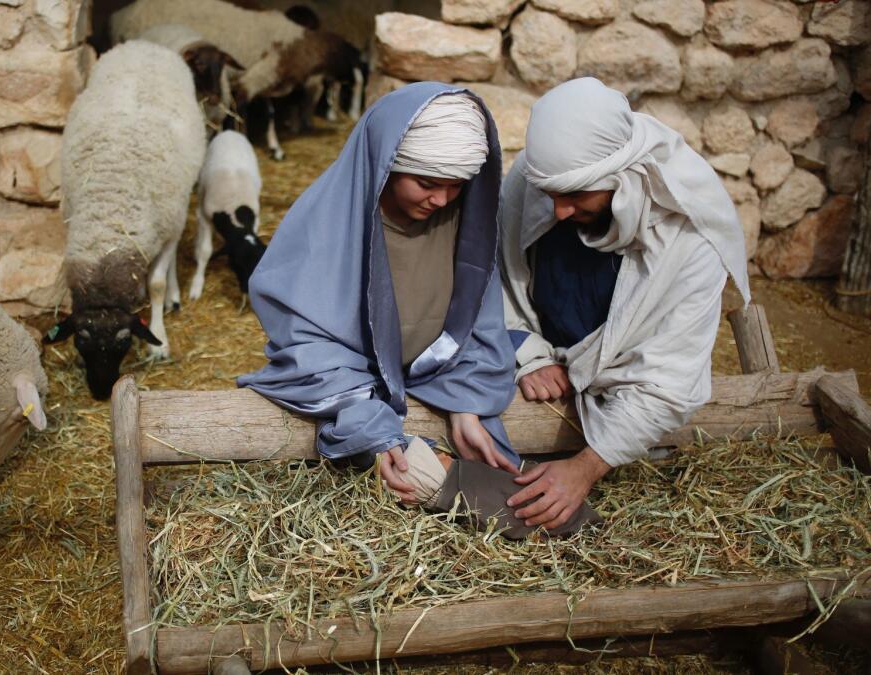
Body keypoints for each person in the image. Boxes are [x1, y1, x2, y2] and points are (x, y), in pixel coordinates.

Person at [237, 82, 519, 498]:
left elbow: (477, 321)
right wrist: (370, 426)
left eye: (456, 185)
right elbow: (306, 344)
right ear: (386, 164)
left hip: (435, 381)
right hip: (347, 387)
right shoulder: (324, 225)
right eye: (425, 183)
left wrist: (466, 405)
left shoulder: (462, 221)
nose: (441, 200)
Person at [499, 77, 750, 531]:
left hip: (625, 401)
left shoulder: (690, 235)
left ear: (624, 175)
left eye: (576, 195)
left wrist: (584, 469)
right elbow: (497, 273)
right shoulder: (540, 179)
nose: (558, 210)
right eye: (551, 195)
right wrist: (524, 349)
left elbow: (669, 377)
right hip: (535, 380)